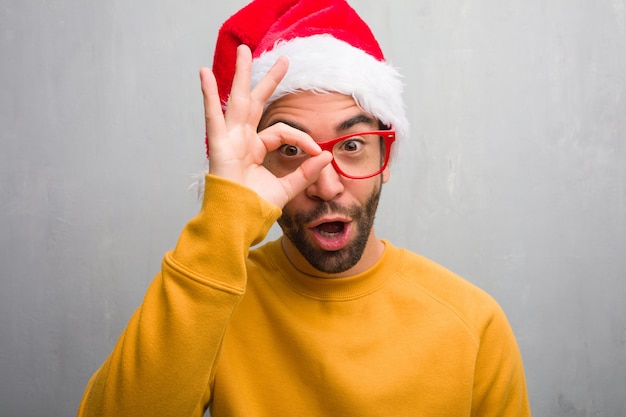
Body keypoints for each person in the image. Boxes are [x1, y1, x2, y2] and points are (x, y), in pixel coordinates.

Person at [77, 0, 531, 415]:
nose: (326, 185)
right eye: (291, 150)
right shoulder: (214, 303)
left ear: (385, 158)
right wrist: (224, 218)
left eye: (352, 144)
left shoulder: (473, 324)